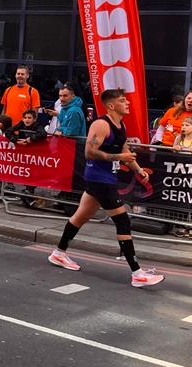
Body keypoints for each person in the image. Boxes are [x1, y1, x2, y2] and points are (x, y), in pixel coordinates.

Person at [47, 88, 164, 287]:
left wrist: (137, 170)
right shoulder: (101, 124)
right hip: (99, 179)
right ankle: (137, 273)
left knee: (80, 216)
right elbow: (90, 152)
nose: (127, 103)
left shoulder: (120, 124)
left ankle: (59, 253)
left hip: (106, 177)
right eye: (123, 100)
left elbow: (124, 148)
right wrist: (120, 158)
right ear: (111, 105)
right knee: (123, 221)